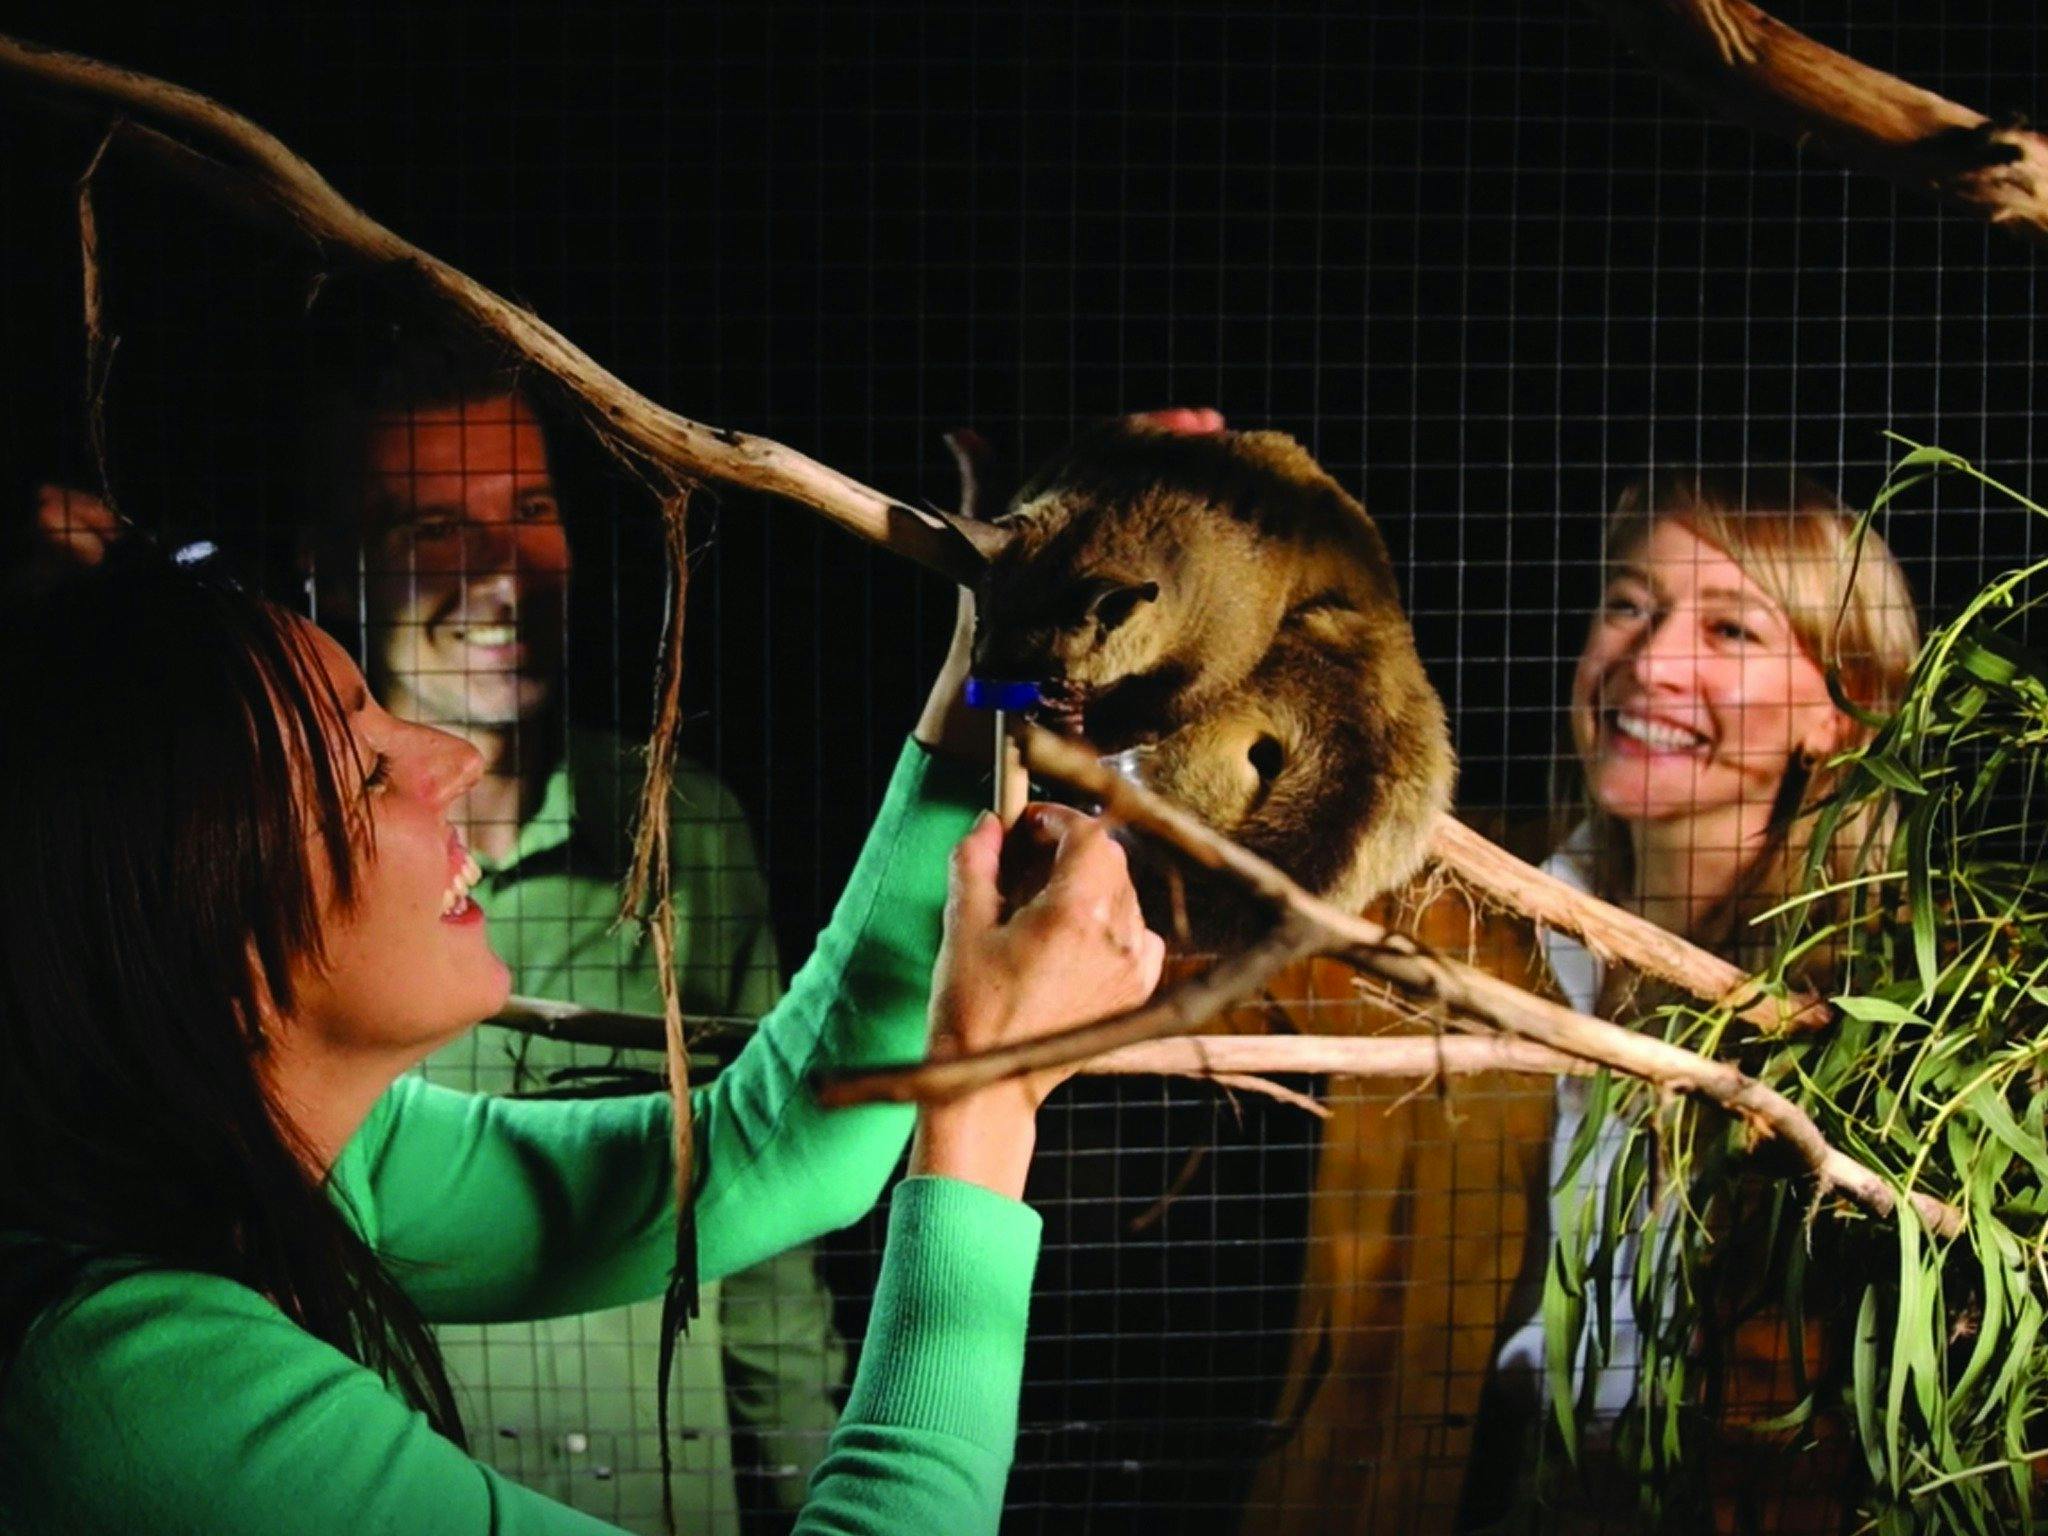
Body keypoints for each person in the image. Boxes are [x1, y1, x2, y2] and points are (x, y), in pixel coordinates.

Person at [0, 542, 1164, 1533]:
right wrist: (986, 1096)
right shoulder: (119, 1395)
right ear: (212, 950)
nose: (450, 759)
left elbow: (763, 1152)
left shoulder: (285, 1146)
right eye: (360, 774)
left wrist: (991, 665)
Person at [1244, 468, 1920, 1535]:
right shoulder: (1440, 913)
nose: (1649, 664)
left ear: (1840, 714)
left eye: (1730, 631)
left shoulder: (1893, 1008)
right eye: (1626, 604)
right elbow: (1172, 922)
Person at [300, 345, 835, 1532]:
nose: (501, 574)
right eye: (435, 527)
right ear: (338, 570)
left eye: (530, 509)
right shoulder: (282, 877)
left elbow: (770, 1241)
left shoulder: (683, 825)